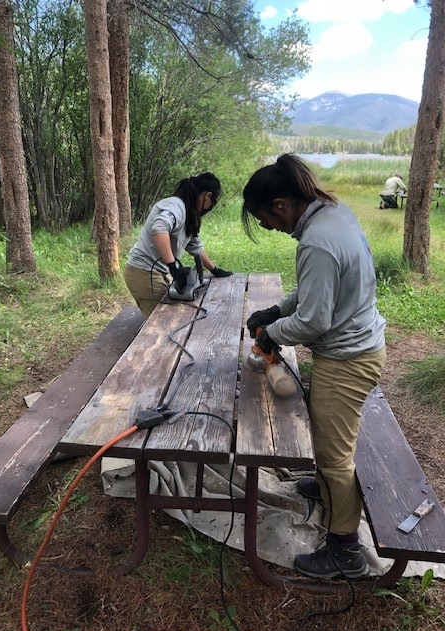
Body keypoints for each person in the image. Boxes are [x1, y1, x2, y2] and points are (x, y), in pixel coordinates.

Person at [242, 154, 386, 580]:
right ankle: (325, 488)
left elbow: (314, 321)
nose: (271, 228)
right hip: (357, 347)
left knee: (334, 454)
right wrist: (275, 310)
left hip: (347, 360)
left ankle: (345, 550)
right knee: (327, 443)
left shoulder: (317, 241)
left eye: (267, 220)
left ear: (282, 204)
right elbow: (313, 293)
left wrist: (272, 334)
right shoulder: (334, 215)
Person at [125, 172, 233, 318]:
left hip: (158, 272)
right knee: (163, 326)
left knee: (177, 318)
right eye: (212, 203)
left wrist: (214, 269)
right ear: (207, 195)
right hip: (145, 272)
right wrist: (173, 265)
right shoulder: (176, 205)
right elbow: (159, 229)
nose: (210, 208)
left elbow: (196, 247)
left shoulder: (187, 212)